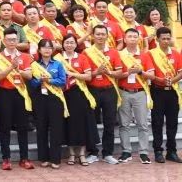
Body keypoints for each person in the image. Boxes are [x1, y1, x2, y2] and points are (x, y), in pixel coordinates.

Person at [0, 27, 34, 170]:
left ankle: (24, 158)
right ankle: (6, 158)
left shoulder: (24, 56)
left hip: (21, 93)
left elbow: (29, 76)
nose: (12, 42)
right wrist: (11, 67)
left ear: (18, 40)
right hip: (5, 93)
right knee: (5, 126)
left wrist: (19, 70)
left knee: (22, 127)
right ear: (4, 41)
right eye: (9, 40)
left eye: (14, 39)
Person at [84, 24, 123, 164]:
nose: (100, 37)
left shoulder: (113, 52)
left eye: (103, 34)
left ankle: (108, 153)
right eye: (98, 34)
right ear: (93, 36)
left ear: (107, 36)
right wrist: (96, 73)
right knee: (91, 123)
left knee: (109, 122)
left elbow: (119, 72)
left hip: (109, 90)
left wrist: (109, 72)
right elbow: (85, 75)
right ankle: (92, 152)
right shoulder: (87, 52)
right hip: (92, 90)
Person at [144, 26, 182, 163]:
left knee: (172, 123)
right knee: (157, 122)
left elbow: (180, 72)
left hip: (172, 92)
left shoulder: (177, 54)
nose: (166, 41)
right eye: (163, 39)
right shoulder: (150, 54)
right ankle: (158, 151)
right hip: (157, 91)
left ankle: (171, 152)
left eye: (168, 38)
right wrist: (163, 81)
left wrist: (172, 81)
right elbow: (151, 74)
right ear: (157, 39)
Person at [56, 34, 95, 166]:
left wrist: (72, 74)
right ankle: (71, 154)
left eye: (72, 43)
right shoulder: (58, 59)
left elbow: (88, 77)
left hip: (80, 93)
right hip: (64, 94)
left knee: (82, 123)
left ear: (76, 44)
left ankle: (82, 154)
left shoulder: (82, 58)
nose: (69, 45)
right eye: (66, 43)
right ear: (63, 44)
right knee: (69, 124)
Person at [116, 28, 152, 164]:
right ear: (124, 39)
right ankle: (126, 151)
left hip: (140, 92)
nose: (132, 39)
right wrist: (127, 73)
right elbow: (114, 74)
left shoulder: (145, 55)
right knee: (124, 124)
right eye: (129, 36)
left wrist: (140, 71)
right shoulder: (119, 55)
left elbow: (152, 75)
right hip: (123, 91)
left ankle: (143, 152)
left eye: (134, 37)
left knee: (142, 124)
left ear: (138, 39)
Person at [30, 39, 67, 168]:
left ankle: (55, 159)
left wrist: (49, 81)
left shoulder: (58, 64)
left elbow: (63, 81)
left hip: (55, 98)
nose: (47, 50)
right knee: (41, 128)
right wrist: (40, 81)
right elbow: (31, 83)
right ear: (39, 50)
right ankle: (43, 158)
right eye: (44, 47)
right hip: (40, 98)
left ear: (52, 50)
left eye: (49, 47)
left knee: (56, 128)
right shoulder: (34, 65)